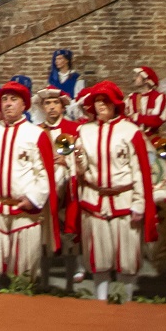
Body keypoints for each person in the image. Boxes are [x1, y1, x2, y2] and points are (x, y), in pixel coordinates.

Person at [68, 81, 156, 303]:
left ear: (115, 103)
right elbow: (80, 170)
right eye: (97, 101)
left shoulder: (130, 131)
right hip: (94, 200)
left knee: (127, 258)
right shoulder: (84, 131)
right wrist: (78, 161)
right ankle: (100, 301)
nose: (101, 105)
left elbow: (139, 170)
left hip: (124, 200)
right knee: (99, 257)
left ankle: (126, 299)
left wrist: (139, 202)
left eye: (105, 100)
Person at [0, 80, 60, 288]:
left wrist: (33, 199)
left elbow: (45, 174)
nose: (8, 104)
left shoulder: (36, 134)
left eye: (13, 99)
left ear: (24, 105)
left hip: (24, 212)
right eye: (4, 99)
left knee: (23, 270)